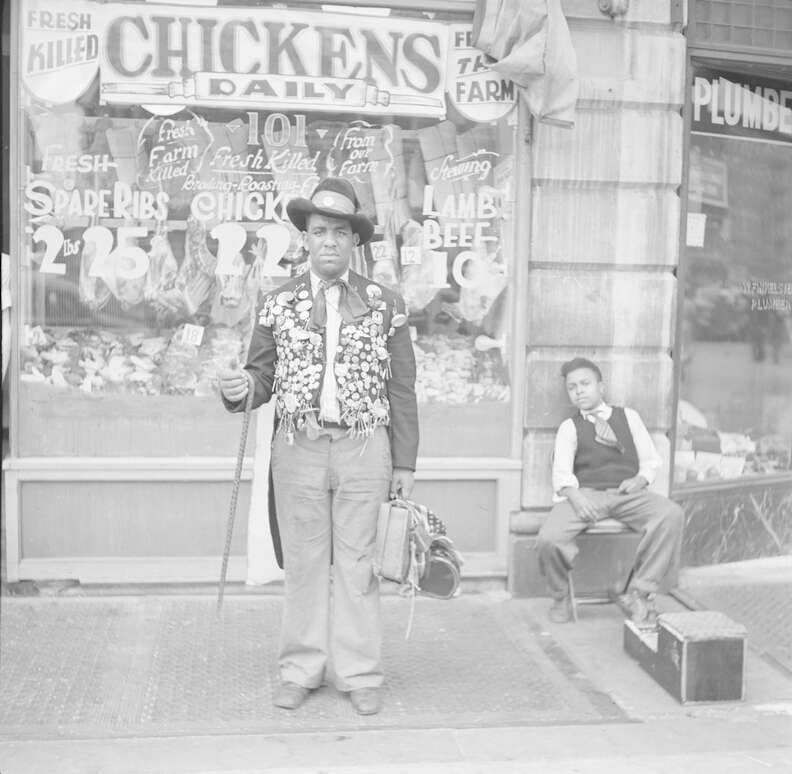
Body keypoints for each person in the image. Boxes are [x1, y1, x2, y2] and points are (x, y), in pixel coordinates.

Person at [219, 178, 419, 716]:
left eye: (340, 232)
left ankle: (359, 673)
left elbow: (402, 387)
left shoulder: (386, 305)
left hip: (364, 448)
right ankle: (300, 669)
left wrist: (404, 462)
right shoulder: (276, 303)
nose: (329, 241)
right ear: (305, 238)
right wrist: (239, 391)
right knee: (305, 564)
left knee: (359, 566)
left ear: (354, 241)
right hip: (298, 446)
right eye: (319, 231)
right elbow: (261, 379)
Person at [537, 357, 683, 625]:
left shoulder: (628, 417)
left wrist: (640, 480)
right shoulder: (569, 428)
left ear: (600, 387)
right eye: (572, 387)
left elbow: (650, 461)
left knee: (671, 514)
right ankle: (560, 596)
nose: (579, 390)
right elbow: (562, 474)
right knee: (549, 538)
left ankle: (641, 591)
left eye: (585, 383)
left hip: (627, 494)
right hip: (586, 494)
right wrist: (577, 498)